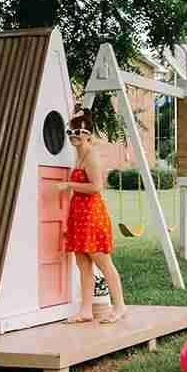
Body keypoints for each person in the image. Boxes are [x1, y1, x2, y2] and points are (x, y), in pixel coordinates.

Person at [58, 108, 127, 324]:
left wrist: (69, 184)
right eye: (71, 132)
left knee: (102, 261)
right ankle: (86, 310)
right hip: (79, 214)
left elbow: (97, 187)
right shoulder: (79, 156)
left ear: (88, 133)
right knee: (82, 263)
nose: (74, 136)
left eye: (78, 132)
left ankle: (119, 307)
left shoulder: (91, 157)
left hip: (91, 215)